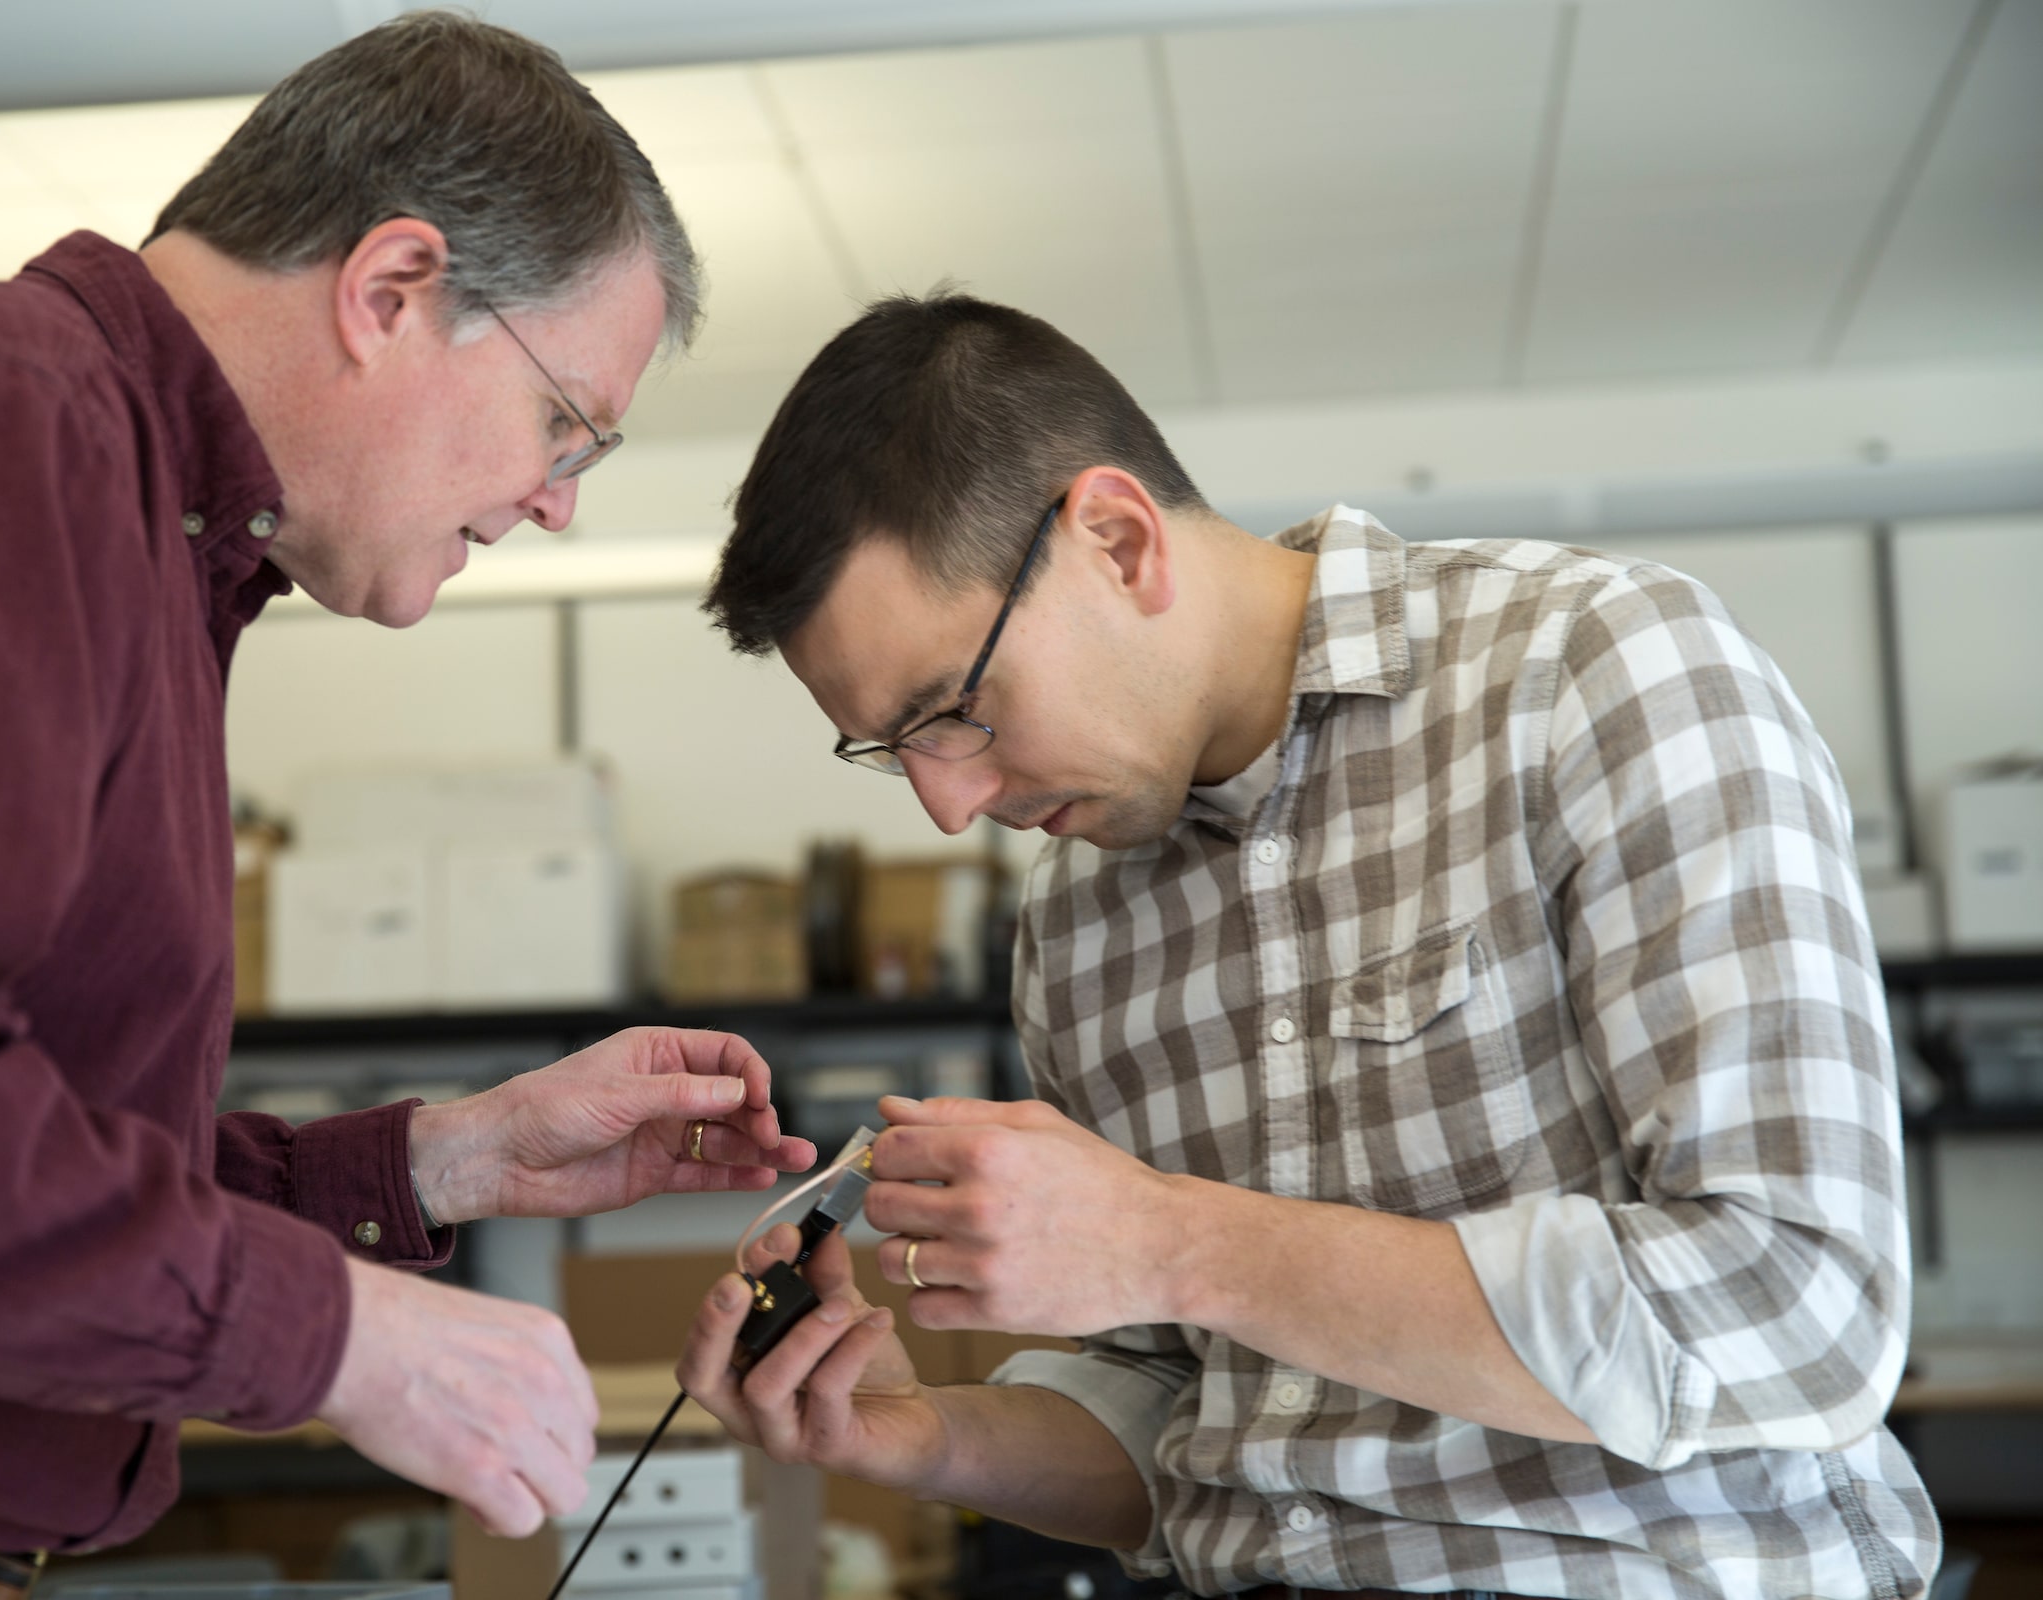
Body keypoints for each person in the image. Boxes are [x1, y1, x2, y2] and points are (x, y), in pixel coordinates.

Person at [0, 13, 816, 1599]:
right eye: (567, 426)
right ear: (391, 290)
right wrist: (345, 1341)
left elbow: (27, 1144)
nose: (557, 501)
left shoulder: (161, 546)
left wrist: (445, 1167)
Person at [676, 294, 1939, 1600]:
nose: (946, 807)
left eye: (955, 709)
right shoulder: (1076, 916)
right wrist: (932, 1435)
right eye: (891, 750)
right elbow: (1203, 1425)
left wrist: (1176, 1239)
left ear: (1117, 540)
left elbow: (1801, 1311)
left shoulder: (1592, 675)